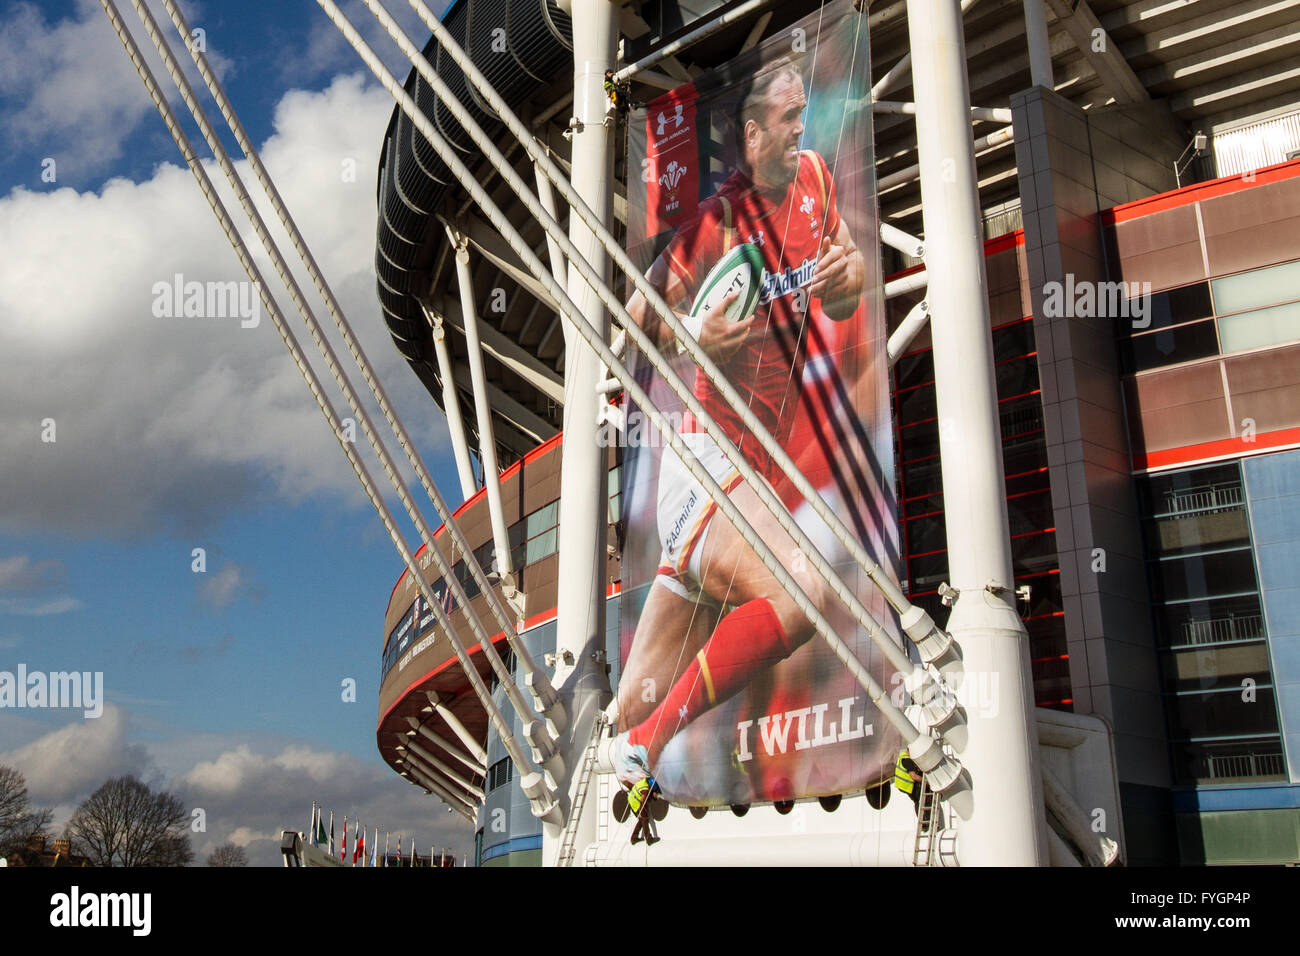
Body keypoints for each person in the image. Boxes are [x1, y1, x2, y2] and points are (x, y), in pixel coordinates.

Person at [612, 54, 867, 790]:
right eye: (788, 119)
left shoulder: (815, 176)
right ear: (752, 135)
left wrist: (848, 278)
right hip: (706, 463)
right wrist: (694, 337)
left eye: (803, 115)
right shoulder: (716, 224)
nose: (801, 129)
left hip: (748, 478)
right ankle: (646, 750)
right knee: (804, 590)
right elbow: (633, 326)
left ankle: (608, 757)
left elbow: (845, 286)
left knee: (630, 700)